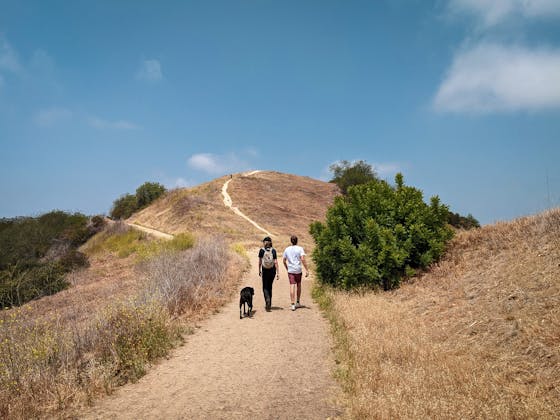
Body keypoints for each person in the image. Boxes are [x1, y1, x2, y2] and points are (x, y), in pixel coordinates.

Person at [282, 235, 309, 311]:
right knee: (298, 285)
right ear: (297, 241)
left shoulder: (287, 249)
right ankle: (298, 302)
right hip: (298, 269)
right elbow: (303, 259)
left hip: (291, 270)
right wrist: (307, 269)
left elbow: (284, 261)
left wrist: (287, 268)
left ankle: (292, 304)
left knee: (292, 285)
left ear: (291, 241)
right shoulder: (300, 249)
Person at [258, 236, 279, 311]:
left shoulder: (261, 250)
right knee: (270, 286)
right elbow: (276, 262)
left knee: (265, 287)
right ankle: (269, 303)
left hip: (265, 270)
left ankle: (267, 300)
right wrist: (278, 273)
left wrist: (259, 270)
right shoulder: (273, 250)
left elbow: (260, 261)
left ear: (264, 242)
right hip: (272, 270)